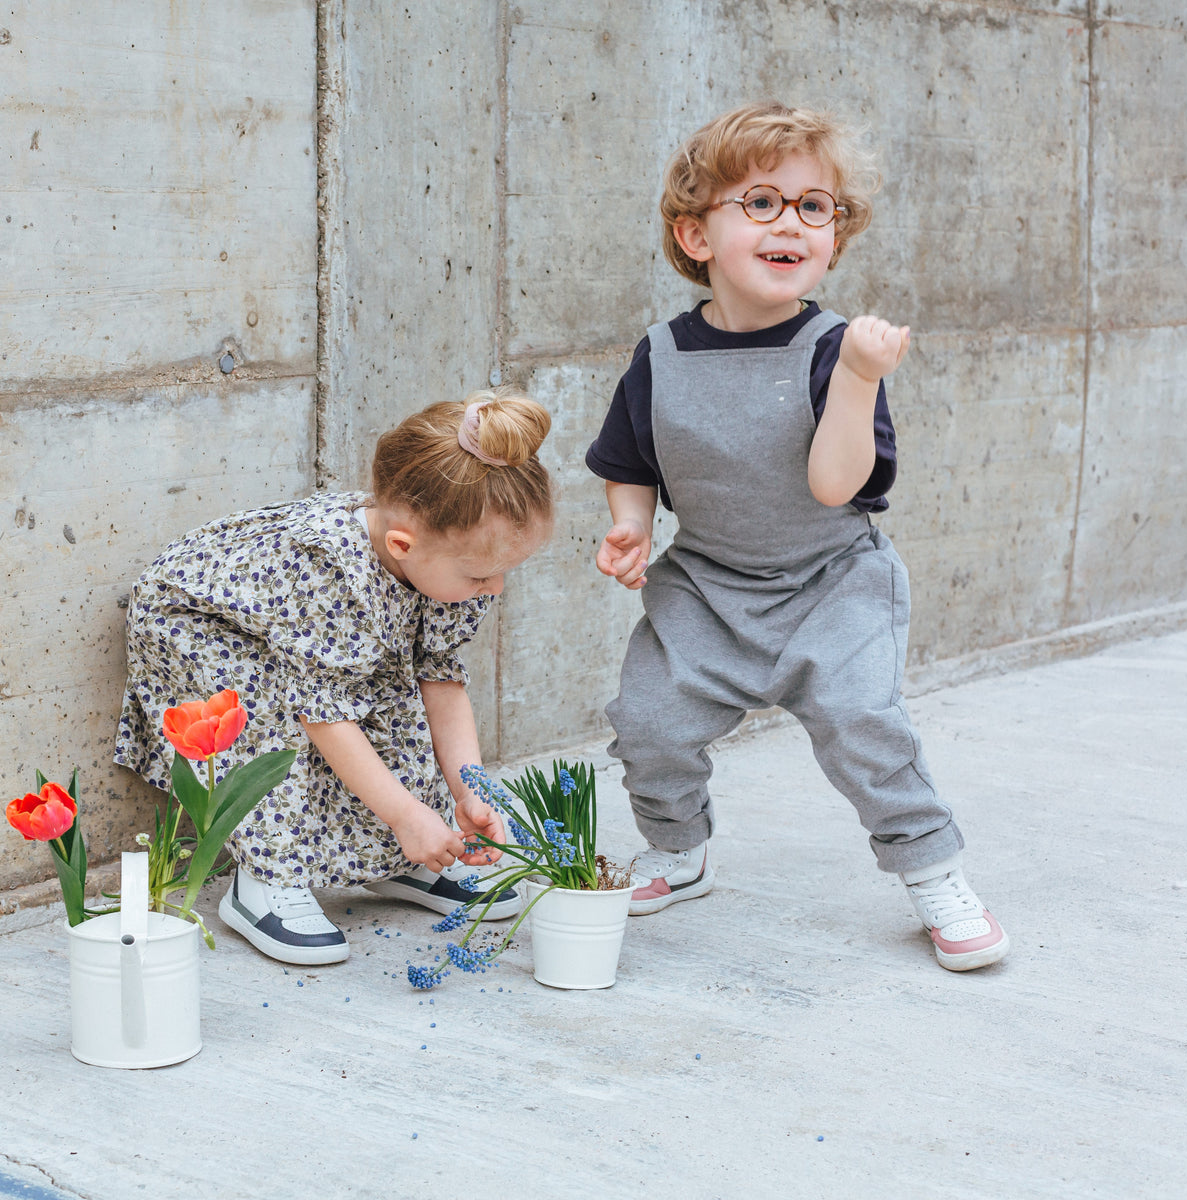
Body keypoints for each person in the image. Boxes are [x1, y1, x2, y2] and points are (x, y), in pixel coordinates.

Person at [586, 101, 1008, 971]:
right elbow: (628, 456)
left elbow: (833, 486)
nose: (793, 223)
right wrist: (629, 524)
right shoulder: (660, 354)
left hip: (831, 583)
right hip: (706, 583)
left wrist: (857, 379)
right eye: (764, 202)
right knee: (649, 720)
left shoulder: (833, 350)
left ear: (833, 238)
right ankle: (679, 848)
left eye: (816, 208)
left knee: (863, 723)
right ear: (696, 236)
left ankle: (931, 867)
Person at [116, 390, 554, 966]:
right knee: (271, 719)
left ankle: (398, 860)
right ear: (402, 545)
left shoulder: (447, 563)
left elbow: (441, 681)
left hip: (314, 633)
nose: (494, 588)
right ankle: (267, 878)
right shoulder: (329, 571)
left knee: (395, 704)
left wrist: (469, 792)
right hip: (204, 626)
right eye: (483, 575)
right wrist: (406, 813)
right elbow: (326, 717)